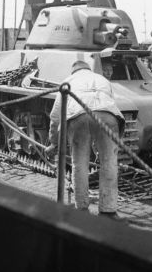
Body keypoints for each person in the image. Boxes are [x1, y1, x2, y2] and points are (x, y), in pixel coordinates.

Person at [45, 60, 125, 218]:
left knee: (79, 164)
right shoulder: (103, 79)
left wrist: (54, 142)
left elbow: (55, 117)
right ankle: (108, 211)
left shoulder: (68, 81)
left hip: (78, 116)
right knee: (109, 163)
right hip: (108, 116)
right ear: (88, 69)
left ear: (73, 71)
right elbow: (110, 103)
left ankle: (81, 208)